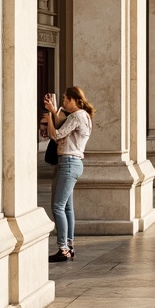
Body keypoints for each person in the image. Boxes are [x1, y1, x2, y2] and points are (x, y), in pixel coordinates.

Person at [42, 86, 94, 262]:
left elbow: (56, 134)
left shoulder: (77, 116)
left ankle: (63, 248)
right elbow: (62, 126)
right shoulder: (83, 116)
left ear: (75, 100)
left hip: (69, 163)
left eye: (66, 99)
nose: (64, 102)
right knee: (67, 207)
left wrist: (49, 115)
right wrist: (54, 111)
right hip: (72, 163)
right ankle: (69, 246)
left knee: (57, 206)